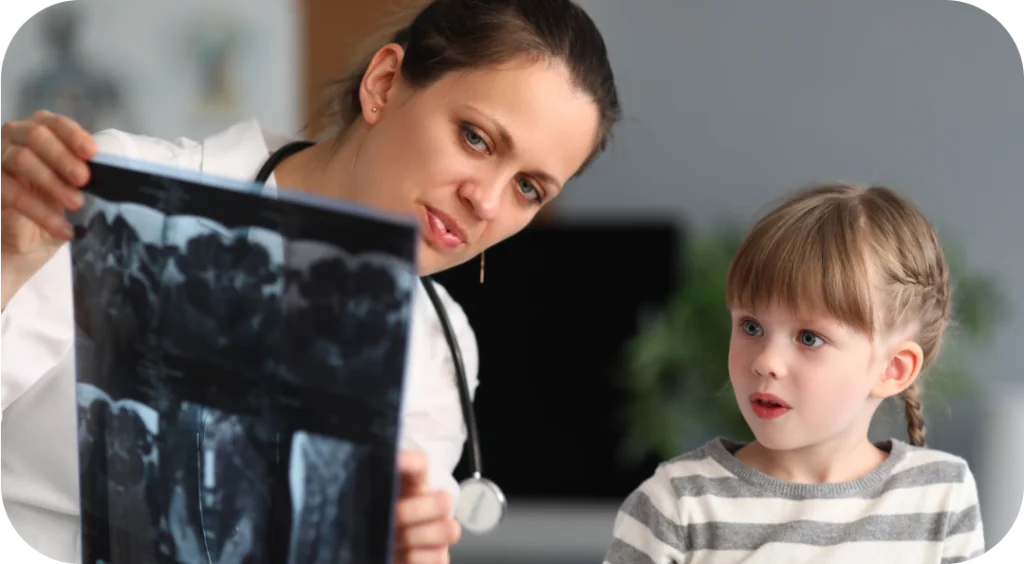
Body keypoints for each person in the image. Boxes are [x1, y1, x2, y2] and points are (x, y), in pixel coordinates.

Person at [0, 0, 621, 562]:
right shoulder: (115, 190)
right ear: (383, 85)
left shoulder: (437, 351)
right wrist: (6, 263)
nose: (485, 201)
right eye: (476, 138)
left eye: (529, 188)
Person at [604, 184, 987, 563]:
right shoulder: (676, 504)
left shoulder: (942, 495)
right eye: (751, 327)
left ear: (892, 369)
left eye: (809, 338)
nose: (766, 362)